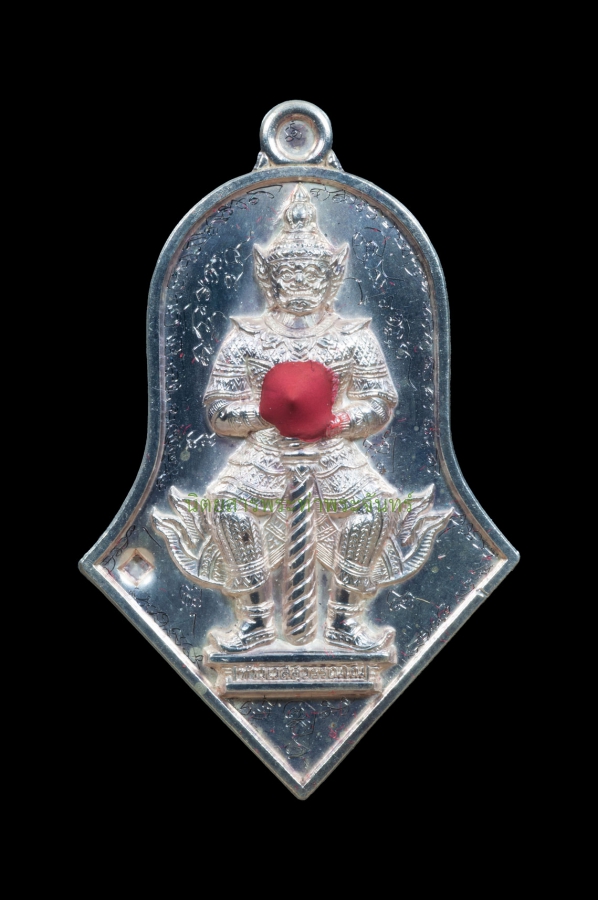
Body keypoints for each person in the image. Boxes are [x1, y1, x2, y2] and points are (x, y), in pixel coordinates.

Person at [199, 185, 446, 653]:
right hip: (266, 452)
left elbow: (379, 402)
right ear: (270, 279)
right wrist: (266, 415)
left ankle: (345, 619)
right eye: (289, 274)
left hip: (333, 450)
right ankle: (255, 618)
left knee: (376, 508)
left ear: (329, 280)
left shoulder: (352, 337)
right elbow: (218, 408)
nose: (299, 283)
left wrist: (341, 420)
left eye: (310, 274)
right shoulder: (248, 337)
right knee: (226, 507)